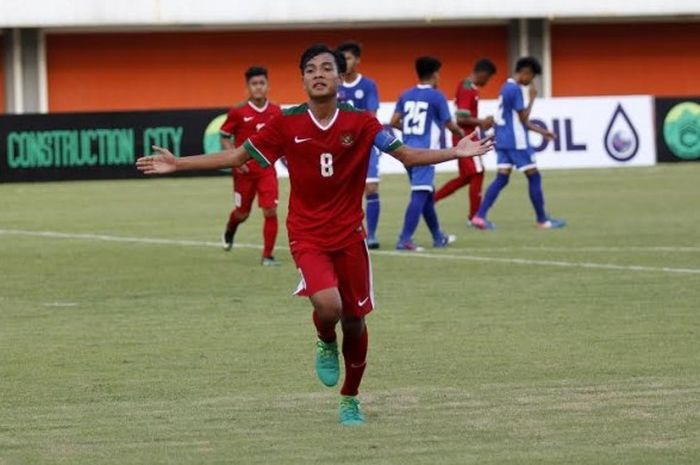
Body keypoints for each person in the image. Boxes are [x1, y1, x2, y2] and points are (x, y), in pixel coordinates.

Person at [136, 44, 493, 426]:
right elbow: (239, 156)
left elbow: (406, 155)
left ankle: (350, 397)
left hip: (350, 235)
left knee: (355, 320)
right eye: (311, 69)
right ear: (303, 79)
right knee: (329, 307)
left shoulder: (362, 122)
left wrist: (455, 151)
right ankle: (325, 339)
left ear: (340, 78)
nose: (318, 73)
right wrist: (179, 163)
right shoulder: (286, 123)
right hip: (307, 235)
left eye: (327, 68)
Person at [471, 56, 566, 230]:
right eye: (532, 77)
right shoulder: (515, 90)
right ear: (524, 72)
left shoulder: (505, 87)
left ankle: (480, 216)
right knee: (534, 176)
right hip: (516, 141)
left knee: (502, 178)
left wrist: (542, 132)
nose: (531, 81)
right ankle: (542, 220)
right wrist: (532, 100)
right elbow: (523, 120)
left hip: (502, 139)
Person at [391, 56, 466, 251]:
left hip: (406, 151)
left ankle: (438, 236)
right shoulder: (436, 96)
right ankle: (404, 239)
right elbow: (449, 124)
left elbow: (394, 121)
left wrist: (408, 132)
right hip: (424, 153)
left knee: (426, 194)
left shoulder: (405, 94)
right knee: (420, 193)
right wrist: (461, 133)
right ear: (434, 74)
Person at [219, 66, 282, 266]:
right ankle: (230, 229)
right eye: (254, 84)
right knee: (242, 213)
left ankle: (268, 256)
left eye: (262, 83)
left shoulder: (276, 111)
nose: (258, 87)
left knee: (270, 210)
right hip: (244, 172)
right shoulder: (238, 112)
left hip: (266, 170)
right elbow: (224, 137)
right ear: (248, 87)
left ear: (268, 86)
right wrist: (235, 160)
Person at [434, 58, 497, 221]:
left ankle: (431, 200)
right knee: (478, 173)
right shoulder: (467, 88)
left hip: (464, 136)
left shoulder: (469, 87)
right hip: (465, 137)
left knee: (466, 177)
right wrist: (482, 122)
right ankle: (475, 217)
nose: (487, 81)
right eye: (488, 78)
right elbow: (461, 118)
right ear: (483, 73)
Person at [336, 41, 382, 249]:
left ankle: (371, 235)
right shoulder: (333, 84)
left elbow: (371, 115)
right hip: (339, 148)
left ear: (357, 60)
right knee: (339, 192)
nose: (346, 62)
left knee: (371, 188)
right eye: (343, 58)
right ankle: (342, 232)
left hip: (364, 144)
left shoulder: (368, 85)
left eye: (349, 58)